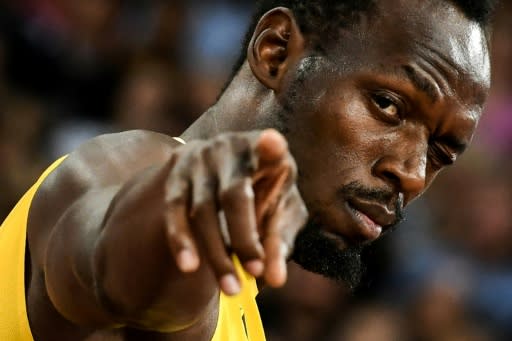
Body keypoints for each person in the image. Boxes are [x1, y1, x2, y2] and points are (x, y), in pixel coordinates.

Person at [0, 0, 496, 340]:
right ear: (276, 52)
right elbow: (105, 259)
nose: (411, 173)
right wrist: (177, 212)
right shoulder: (127, 169)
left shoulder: (240, 302)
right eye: (388, 105)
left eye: (441, 153)